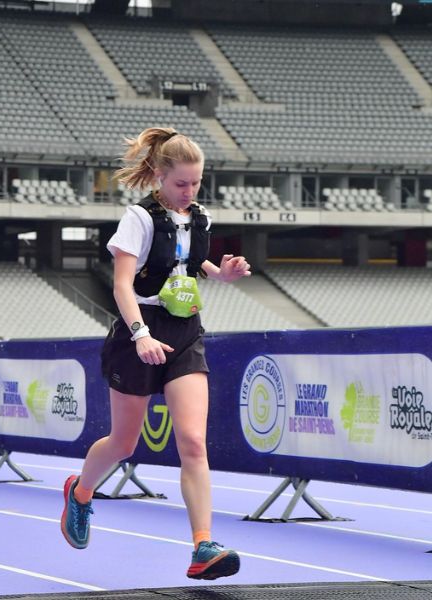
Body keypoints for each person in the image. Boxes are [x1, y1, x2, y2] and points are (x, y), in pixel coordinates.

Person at [60, 127, 251, 580]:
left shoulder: (199, 215)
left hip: (185, 332)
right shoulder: (139, 218)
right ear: (160, 177)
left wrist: (220, 274)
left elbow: (186, 264)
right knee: (124, 443)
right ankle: (81, 492)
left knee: (193, 442)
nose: (189, 191)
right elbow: (122, 284)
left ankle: (203, 545)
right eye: (181, 183)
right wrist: (141, 334)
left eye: (196, 183)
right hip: (138, 333)